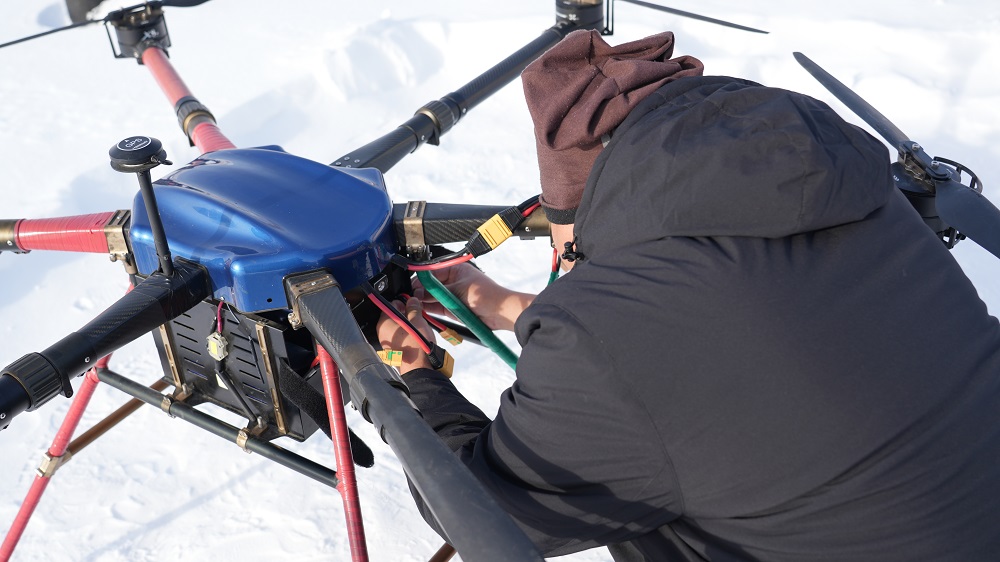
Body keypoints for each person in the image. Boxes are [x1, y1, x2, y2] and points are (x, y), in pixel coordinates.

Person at [377, 29, 1000, 561]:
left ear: (578, 206)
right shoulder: (856, 195)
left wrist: (413, 377)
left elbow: (488, 514)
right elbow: (726, 353)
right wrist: (508, 307)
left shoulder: (606, 345)